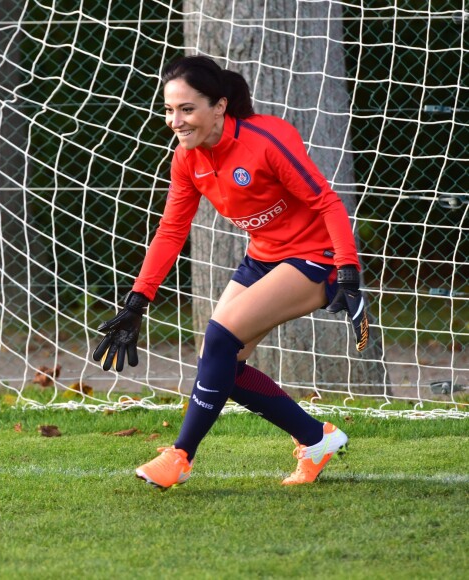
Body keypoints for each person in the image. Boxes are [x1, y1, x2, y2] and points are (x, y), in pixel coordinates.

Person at [93, 55, 369, 489]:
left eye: (187, 109)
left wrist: (349, 271)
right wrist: (138, 300)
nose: (176, 121)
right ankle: (316, 439)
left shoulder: (267, 140)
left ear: (219, 106)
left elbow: (328, 203)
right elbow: (170, 231)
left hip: (317, 257)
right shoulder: (186, 160)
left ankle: (180, 457)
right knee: (220, 362)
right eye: (169, 110)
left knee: (221, 339)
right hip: (263, 257)